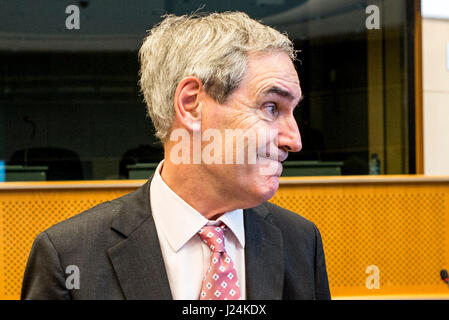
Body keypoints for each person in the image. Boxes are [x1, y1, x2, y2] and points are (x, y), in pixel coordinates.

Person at [21, 11, 330, 300]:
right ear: (192, 103)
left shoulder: (301, 242)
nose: (294, 140)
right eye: (271, 107)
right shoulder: (69, 256)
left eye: (292, 112)